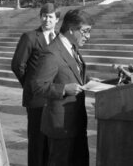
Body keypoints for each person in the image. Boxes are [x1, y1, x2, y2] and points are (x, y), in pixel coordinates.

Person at [31, 9, 94, 166]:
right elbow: (38, 86)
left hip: (76, 122)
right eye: (85, 31)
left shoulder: (72, 47)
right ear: (71, 29)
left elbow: (72, 74)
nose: (88, 36)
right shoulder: (51, 52)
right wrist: (64, 89)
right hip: (61, 127)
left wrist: (91, 80)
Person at [11, 3, 60, 166]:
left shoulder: (60, 38)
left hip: (54, 97)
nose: (47, 19)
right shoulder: (30, 37)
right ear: (40, 17)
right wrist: (30, 85)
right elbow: (18, 65)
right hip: (36, 99)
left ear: (57, 19)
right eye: (44, 16)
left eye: (50, 16)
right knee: (37, 141)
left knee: (50, 140)